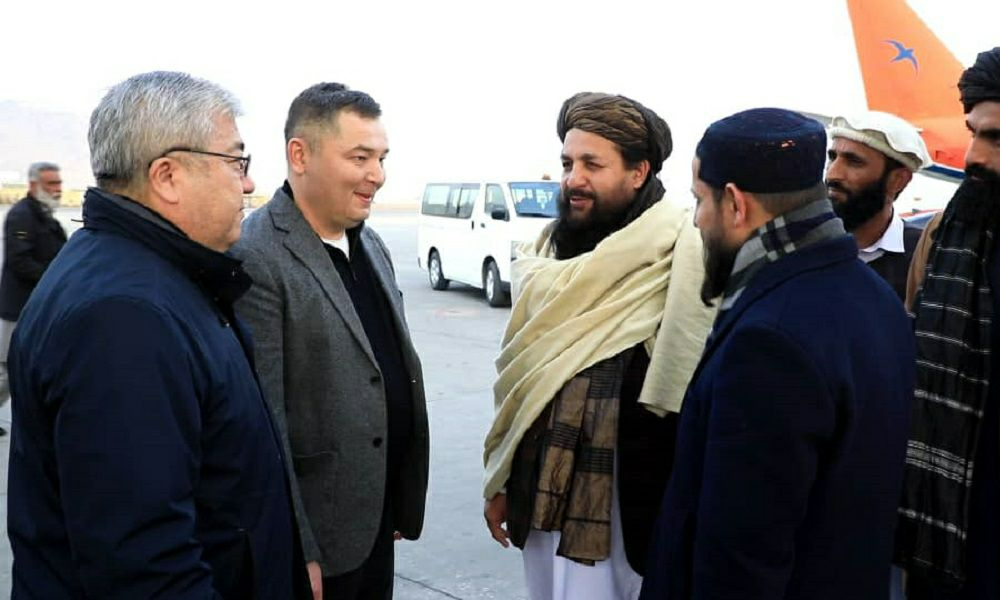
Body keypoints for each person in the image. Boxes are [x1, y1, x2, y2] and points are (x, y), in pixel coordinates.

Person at [6, 71, 308, 599]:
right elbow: (144, 564)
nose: (247, 184)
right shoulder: (123, 318)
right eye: (236, 162)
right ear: (167, 176)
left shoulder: (154, 275)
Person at [640, 108, 915, 600]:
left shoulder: (769, 340)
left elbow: (742, 554)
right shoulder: (875, 299)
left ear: (735, 203)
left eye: (700, 200)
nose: (697, 219)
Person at [482, 92, 716, 600]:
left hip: (633, 512)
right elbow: (525, 389)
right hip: (542, 505)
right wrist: (504, 481)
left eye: (593, 164)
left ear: (638, 172)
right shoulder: (546, 255)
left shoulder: (683, 251)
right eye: (568, 163)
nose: (574, 179)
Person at [232, 82, 429, 600]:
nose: (377, 175)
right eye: (359, 158)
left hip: (373, 517)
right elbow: (265, 421)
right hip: (318, 538)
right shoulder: (258, 255)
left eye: (382, 158)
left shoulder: (372, 244)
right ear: (300, 155)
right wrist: (299, 546)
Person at [898, 46, 1000, 600]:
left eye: (997, 139)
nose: (974, 156)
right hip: (946, 529)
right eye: (973, 133)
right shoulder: (945, 234)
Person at [825, 110, 931, 299]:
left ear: (898, 180)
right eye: (832, 157)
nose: (832, 174)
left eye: (854, 162)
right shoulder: (799, 246)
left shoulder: (926, 259)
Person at [0, 161, 67, 431]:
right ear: (33, 185)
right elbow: (20, 261)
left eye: (58, 183)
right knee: (6, 368)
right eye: (51, 183)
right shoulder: (22, 216)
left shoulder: (47, 218)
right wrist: (55, 279)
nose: (58, 189)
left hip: (40, 307)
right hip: (18, 307)